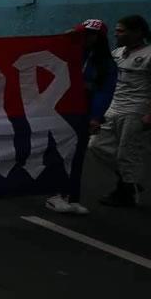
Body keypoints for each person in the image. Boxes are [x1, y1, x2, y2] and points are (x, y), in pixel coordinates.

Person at [89, 15, 151, 207]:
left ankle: (126, 194)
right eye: (116, 30)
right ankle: (129, 179)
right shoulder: (117, 53)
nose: (116, 33)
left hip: (135, 110)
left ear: (137, 32)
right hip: (112, 107)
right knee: (96, 145)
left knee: (127, 153)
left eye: (121, 30)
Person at [46, 19, 117, 215]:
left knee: (77, 154)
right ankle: (54, 194)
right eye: (82, 34)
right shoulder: (68, 53)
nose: (86, 38)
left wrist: (96, 117)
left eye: (91, 35)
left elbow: (105, 91)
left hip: (83, 111)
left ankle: (72, 196)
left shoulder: (104, 63)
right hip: (60, 108)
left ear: (100, 38)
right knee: (59, 151)